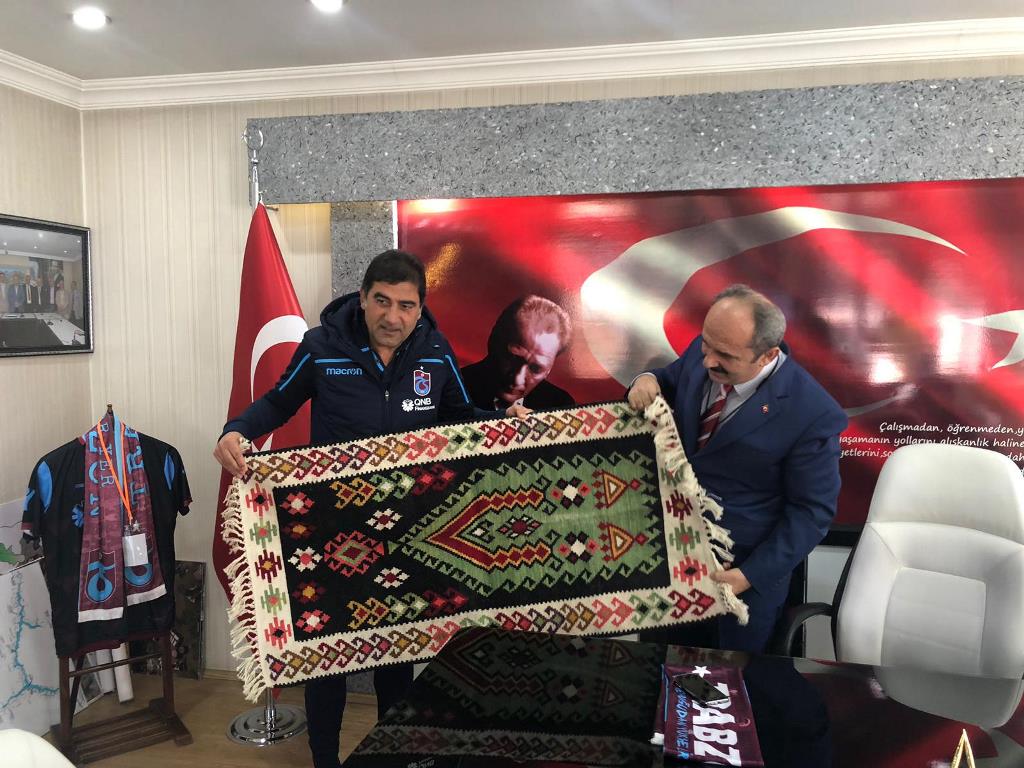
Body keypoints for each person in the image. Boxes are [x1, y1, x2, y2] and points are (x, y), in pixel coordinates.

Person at [214, 249, 529, 768]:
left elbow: (458, 417)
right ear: (362, 298)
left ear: (420, 308)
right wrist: (237, 430)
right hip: (330, 532)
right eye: (382, 301)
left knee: (396, 653)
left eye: (406, 305)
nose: (393, 316)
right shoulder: (321, 346)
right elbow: (278, 402)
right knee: (326, 660)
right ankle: (325, 761)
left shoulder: (434, 350)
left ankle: (394, 755)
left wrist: (502, 422)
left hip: (409, 529)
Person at [628, 284, 847, 654]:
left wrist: (748, 576)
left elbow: (811, 513)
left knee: (736, 682)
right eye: (705, 345)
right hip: (673, 558)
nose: (708, 361)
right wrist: (647, 379)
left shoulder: (812, 413)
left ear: (768, 355)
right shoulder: (709, 352)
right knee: (664, 668)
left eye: (725, 356)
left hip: (741, 574)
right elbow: (671, 378)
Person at [461, 294, 575, 410]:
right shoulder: (455, 391)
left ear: (548, 370)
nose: (517, 379)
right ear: (493, 342)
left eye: (536, 369)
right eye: (513, 358)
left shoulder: (560, 405)